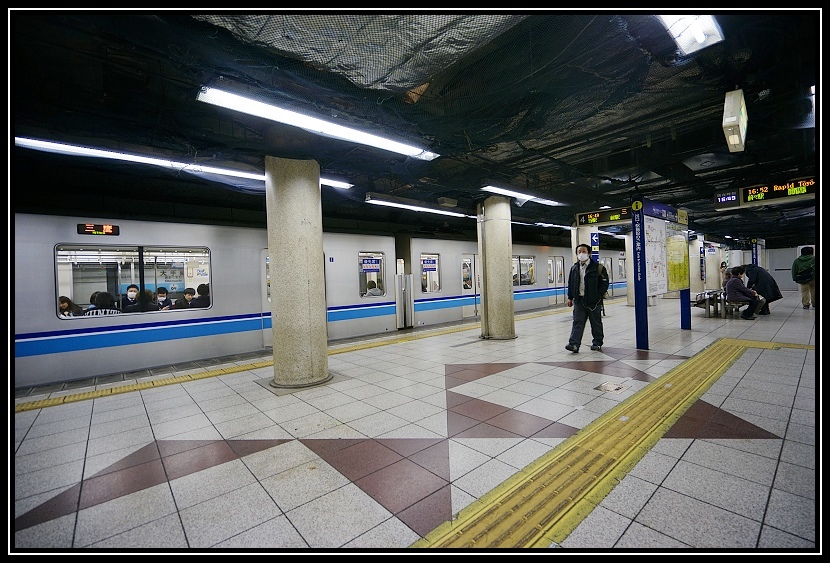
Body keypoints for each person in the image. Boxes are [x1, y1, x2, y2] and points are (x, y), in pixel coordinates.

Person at [565, 244, 609, 353]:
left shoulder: (598, 268)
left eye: (583, 251)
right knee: (577, 322)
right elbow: (571, 283)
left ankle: (597, 343)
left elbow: (604, 283)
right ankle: (574, 344)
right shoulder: (574, 268)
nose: (581, 254)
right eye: (579, 251)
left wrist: (598, 296)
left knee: (596, 323)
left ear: (589, 253)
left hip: (593, 301)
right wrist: (570, 297)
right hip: (579, 300)